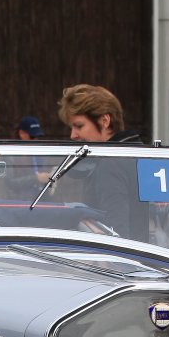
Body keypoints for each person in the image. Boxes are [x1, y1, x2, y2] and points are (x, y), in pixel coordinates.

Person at [56, 84, 144, 239]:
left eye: (79, 126)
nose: (73, 135)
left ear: (104, 121)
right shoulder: (139, 154)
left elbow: (116, 232)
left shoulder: (112, 164)